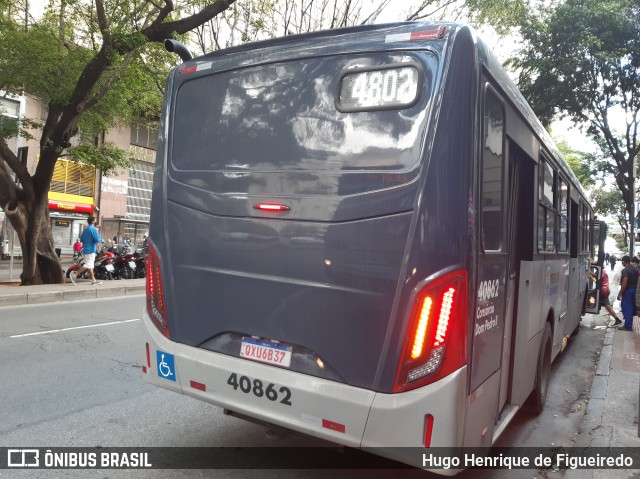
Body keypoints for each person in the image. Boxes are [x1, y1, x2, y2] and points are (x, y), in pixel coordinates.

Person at [69, 216, 104, 286]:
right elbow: (97, 239)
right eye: (95, 219)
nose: (96, 220)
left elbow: (81, 239)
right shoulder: (93, 229)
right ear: (93, 221)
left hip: (85, 249)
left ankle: (93, 280)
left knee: (90, 266)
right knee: (88, 265)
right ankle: (75, 274)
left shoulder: (85, 229)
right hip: (91, 250)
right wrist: (102, 240)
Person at [616, 255, 637, 331]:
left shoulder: (625, 270)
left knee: (626, 308)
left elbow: (624, 282)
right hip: (635, 290)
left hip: (628, 291)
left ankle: (628, 326)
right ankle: (628, 324)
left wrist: (620, 293)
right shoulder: (635, 269)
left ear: (623, 262)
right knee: (631, 307)